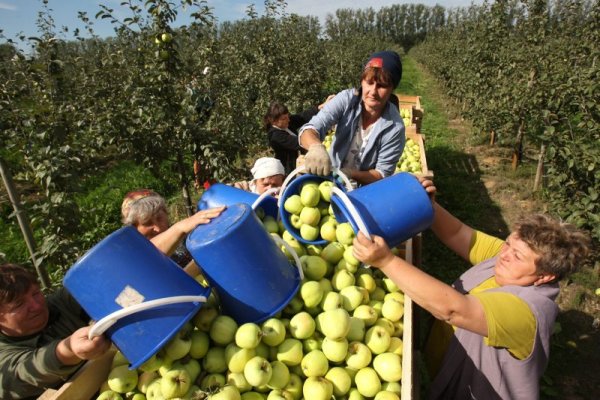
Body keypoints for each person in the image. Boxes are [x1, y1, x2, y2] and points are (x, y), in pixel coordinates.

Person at [351, 178, 591, 400]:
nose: (504, 255)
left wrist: (385, 261)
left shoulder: (526, 313)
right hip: (447, 372)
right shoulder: (505, 259)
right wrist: (428, 206)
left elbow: (454, 311)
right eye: (508, 244)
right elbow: (457, 233)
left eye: (517, 255)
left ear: (545, 276)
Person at [0, 264, 112, 399]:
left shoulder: (60, 304)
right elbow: (27, 371)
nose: (36, 306)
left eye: (35, 293)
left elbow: (95, 279)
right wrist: (68, 350)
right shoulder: (3, 358)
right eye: (19, 304)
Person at [298, 50, 405, 186]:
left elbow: (382, 174)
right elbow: (309, 129)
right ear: (362, 81)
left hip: (364, 192)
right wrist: (315, 146)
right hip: (329, 181)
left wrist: (350, 173)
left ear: (392, 89)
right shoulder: (346, 100)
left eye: (382, 86)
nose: (373, 91)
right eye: (369, 82)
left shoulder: (394, 128)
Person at [121, 189, 225, 267]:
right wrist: (179, 228)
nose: (157, 228)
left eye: (159, 218)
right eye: (147, 223)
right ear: (134, 228)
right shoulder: (132, 256)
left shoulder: (187, 237)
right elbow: (146, 259)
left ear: (166, 213)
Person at [265, 96, 335, 174]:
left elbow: (302, 117)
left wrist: (320, 107)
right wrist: (316, 135)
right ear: (273, 121)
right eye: (284, 118)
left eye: (288, 116)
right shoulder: (275, 136)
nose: (288, 120)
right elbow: (299, 142)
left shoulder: (286, 124)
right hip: (290, 170)